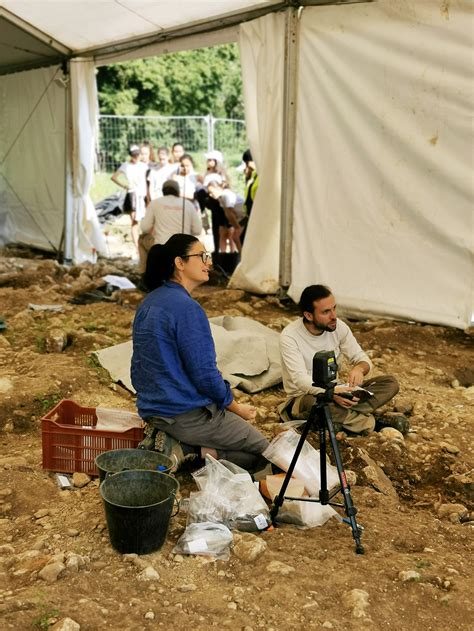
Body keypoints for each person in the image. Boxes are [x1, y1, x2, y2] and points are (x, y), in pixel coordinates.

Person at [131, 234, 270, 470]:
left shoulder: (149, 302)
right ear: (180, 263)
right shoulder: (187, 309)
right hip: (186, 414)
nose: (209, 262)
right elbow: (205, 374)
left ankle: (186, 449)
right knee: (265, 452)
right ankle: (187, 449)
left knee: (246, 449)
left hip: (153, 409)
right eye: (202, 256)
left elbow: (139, 365)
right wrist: (236, 408)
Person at [279, 284, 410, 435]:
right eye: (326, 312)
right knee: (319, 404)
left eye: (334, 308)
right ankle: (373, 423)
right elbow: (300, 380)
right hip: (304, 397)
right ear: (309, 315)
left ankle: (339, 419)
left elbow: (361, 358)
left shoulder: (338, 327)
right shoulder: (290, 337)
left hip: (338, 391)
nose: (334, 315)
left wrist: (359, 369)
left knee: (390, 383)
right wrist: (331, 393)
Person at [137, 179, 202, 272]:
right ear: (178, 191)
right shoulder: (188, 204)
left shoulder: (155, 203)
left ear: (163, 191)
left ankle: (145, 274)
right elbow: (197, 230)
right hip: (185, 249)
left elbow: (145, 228)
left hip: (161, 247)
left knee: (142, 238)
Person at [111, 144, 148, 251]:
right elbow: (113, 177)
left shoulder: (144, 166)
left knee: (146, 221)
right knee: (134, 222)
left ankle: (145, 245)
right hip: (132, 194)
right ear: (130, 155)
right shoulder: (125, 165)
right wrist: (125, 186)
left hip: (143, 194)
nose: (136, 157)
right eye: (134, 155)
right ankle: (137, 248)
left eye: (137, 155)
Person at [207, 179, 245, 253]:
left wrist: (237, 227)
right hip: (240, 217)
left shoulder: (226, 195)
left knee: (236, 237)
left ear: (218, 188)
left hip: (245, 215)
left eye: (211, 192)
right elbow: (227, 213)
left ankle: (243, 256)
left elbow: (230, 213)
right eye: (209, 193)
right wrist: (236, 225)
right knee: (235, 237)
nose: (210, 195)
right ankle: (242, 255)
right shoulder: (221, 198)